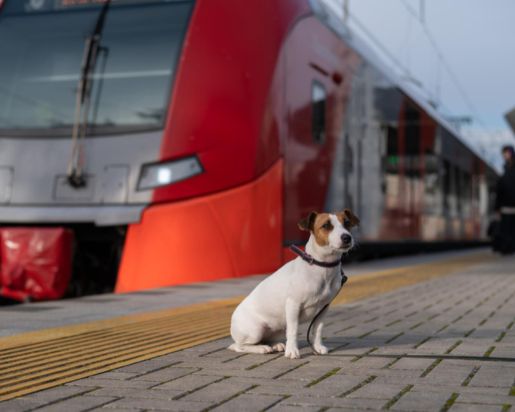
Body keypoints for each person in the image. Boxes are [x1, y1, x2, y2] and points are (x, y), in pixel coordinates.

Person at [494, 145, 515, 254]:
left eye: (506, 153)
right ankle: (507, 248)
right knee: (507, 230)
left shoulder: (506, 171)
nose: (504, 155)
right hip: (506, 207)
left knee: (510, 230)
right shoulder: (504, 169)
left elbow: (500, 188)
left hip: (509, 206)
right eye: (504, 153)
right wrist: (497, 207)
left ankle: (509, 248)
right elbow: (500, 190)